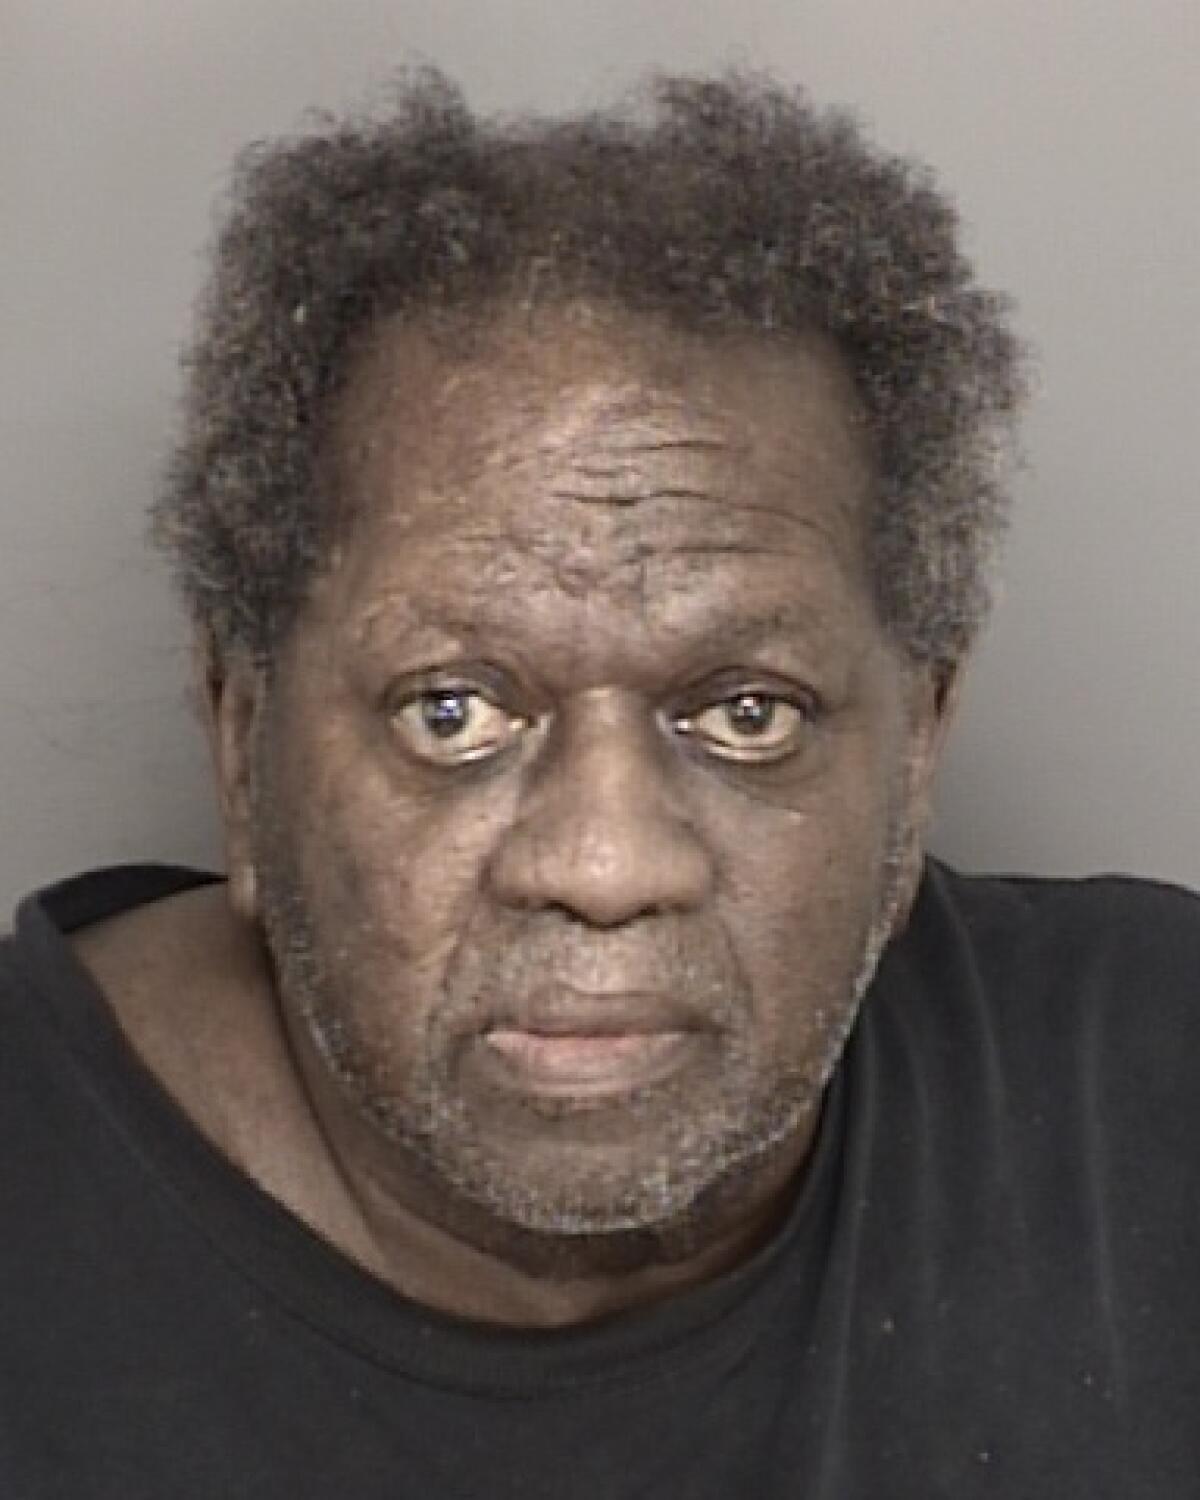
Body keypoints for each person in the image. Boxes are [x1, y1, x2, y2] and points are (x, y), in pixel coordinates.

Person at [1, 69, 1195, 1498]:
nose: (607, 863)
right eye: (452, 711)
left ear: (921, 742)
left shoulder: (1158, 1089)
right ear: (238, 739)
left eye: (747, 712)